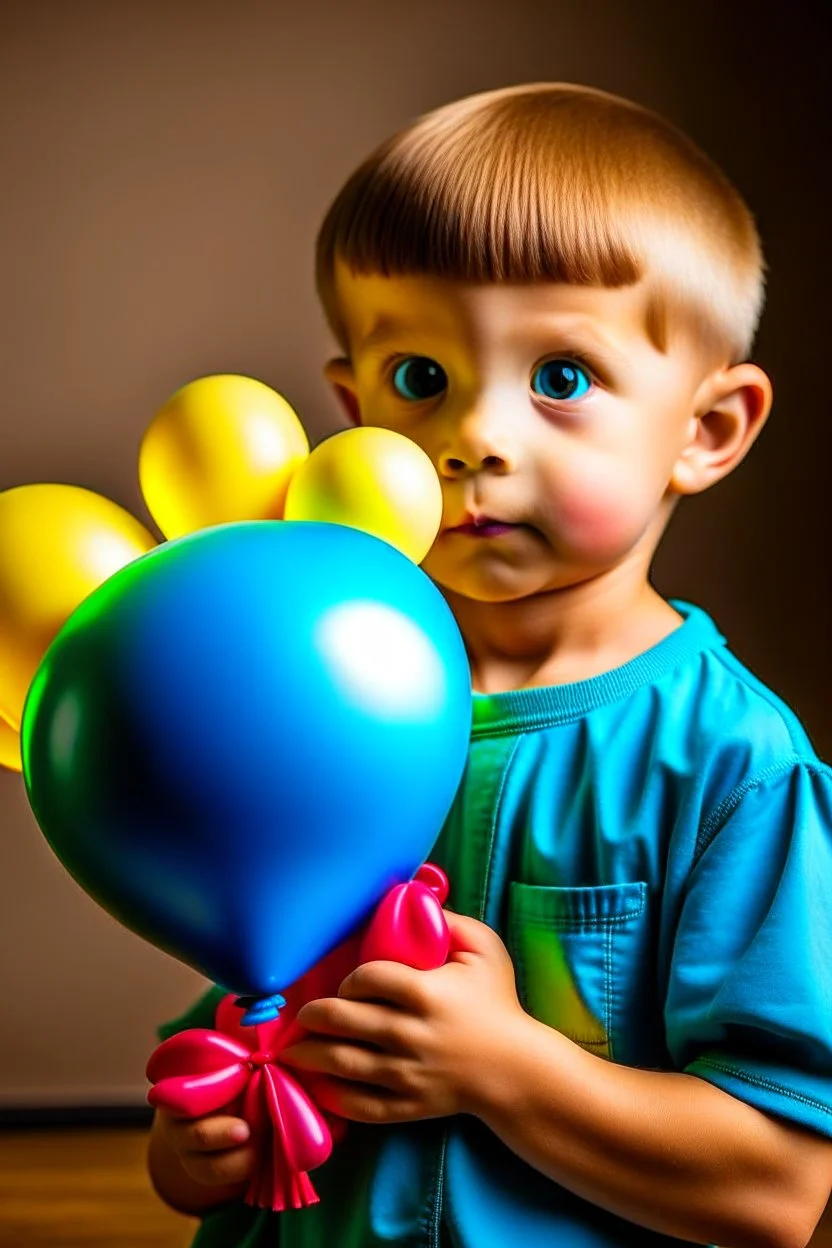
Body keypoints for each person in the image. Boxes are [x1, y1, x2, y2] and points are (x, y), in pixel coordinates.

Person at [147, 83, 832, 1248]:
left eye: (561, 377)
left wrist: (509, 1069)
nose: (473, 436)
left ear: (705, 430)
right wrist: (200, 1137)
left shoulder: (735, 767)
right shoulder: (302, 698)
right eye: (421, 380)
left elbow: (775, 1191)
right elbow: (241, 994)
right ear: (353, 408)